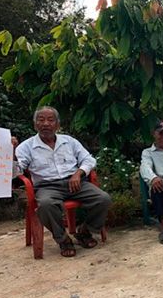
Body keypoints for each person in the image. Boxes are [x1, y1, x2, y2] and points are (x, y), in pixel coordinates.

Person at [14, 106, 112, 257]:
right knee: (46, 205)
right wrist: (11, 153)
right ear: (35, 125)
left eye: (50, 120)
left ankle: (85, 231)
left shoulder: (69, 141)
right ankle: (63, 239)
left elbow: (89, 159)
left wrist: (78, 173)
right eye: (41, 120)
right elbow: (18, 170)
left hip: (75, 183)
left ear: (57, 125)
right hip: (47, 187)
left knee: (103, 199)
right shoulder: (26, 147)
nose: (46, 123)